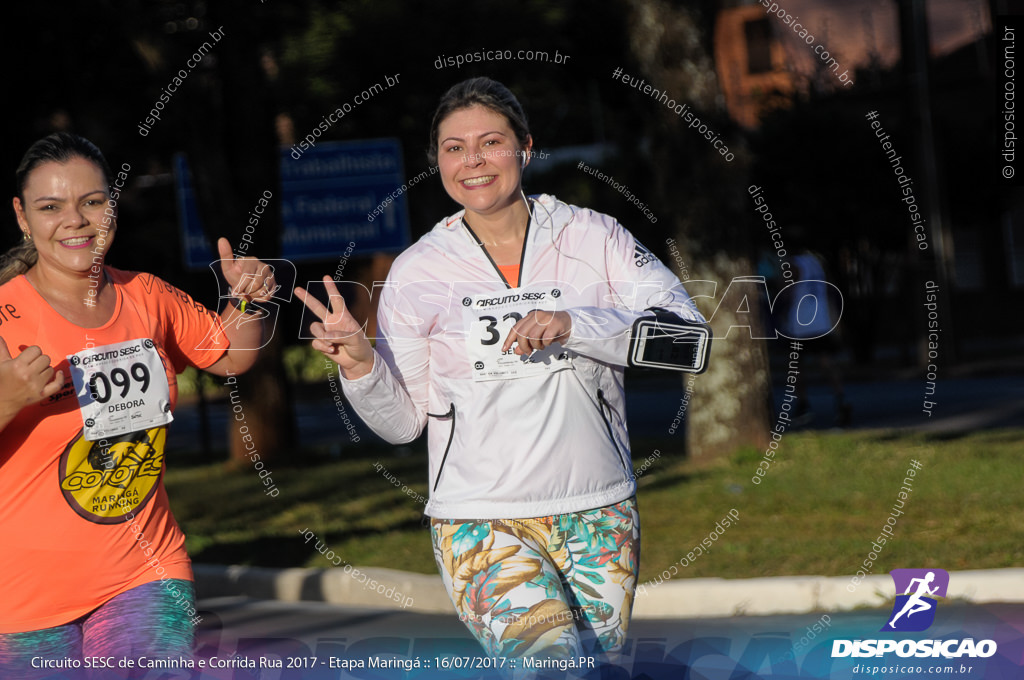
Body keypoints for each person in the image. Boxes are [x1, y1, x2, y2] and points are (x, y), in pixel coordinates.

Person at [297, 77, 704, 670]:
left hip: (598, 510)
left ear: (525, 148)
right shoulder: (417, 272)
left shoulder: (594, 236)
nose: (473, 162)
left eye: (490, 143)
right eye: (454, 148)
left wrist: (575, 323)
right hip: (478, 519)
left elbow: (685, 342)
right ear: (437, 161)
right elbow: (403, 423)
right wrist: (361, 368)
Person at [0, 133, 277, 678]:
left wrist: (248, 298)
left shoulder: (147, 296)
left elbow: (229, 353)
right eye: (51, 207)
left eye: (92, 202)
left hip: (146, 569)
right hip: (23, 599)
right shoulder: (4, 316)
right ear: (23, 218)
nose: (75, 221)